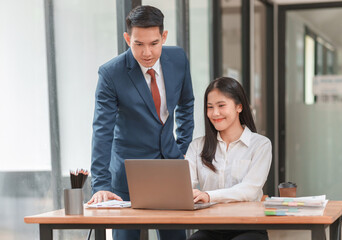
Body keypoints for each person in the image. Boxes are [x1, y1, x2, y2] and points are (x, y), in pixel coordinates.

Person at [87, 5, 194, 240]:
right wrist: (101, 184)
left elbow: (187, 104)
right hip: (127, 175)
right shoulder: (111, 74)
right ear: (127, 39)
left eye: (154, 43)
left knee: (175, 237)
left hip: (170, 170)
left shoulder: (178, 59)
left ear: (163, 37)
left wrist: (182, 147)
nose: (147, 52)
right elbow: (102, 130)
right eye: (139, 44)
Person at [186, 77, 271, 240]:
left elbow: (249, 190)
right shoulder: (197, 146)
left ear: (239, 106)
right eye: (210, 107)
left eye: (221, 106)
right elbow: (184, 186)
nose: (215, 113)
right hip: (210, 228)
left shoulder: (260, 145)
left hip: (249, 227)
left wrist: (209, 196)